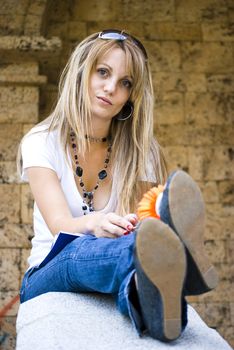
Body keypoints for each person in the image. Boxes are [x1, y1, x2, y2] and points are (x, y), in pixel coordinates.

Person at [18, 29, 218, 342]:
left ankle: (161, 314)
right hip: (50, 270)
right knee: (80, 248)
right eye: (103, 72)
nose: (111, 88)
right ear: (83, 73)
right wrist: (97, 222)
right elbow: (61, 226)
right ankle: (182, 258)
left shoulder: (143, 150)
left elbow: (138, 227)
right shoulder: (41, 142)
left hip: (114, 262)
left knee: (139, 271)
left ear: (130, 95)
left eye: (125, 82)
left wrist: (131, 228)